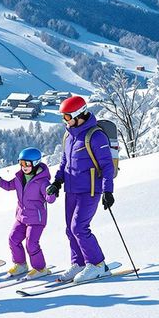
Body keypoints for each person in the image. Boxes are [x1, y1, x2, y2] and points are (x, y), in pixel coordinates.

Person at [48, 96, 116, 283]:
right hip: (71, 189)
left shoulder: (95, 136)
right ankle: (78, 263)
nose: (65, 121)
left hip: (90, 190)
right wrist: (57, 182)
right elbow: (65, 162)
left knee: (79, 227)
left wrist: (108, 191)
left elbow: (107, 166)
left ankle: (97, 265)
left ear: (79, 114)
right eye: (63, 117)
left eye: (67, 116)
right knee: (70, 230)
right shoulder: (68, 135)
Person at [0, 147, 58, 279]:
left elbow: (49, 199)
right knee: (13, 239)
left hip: (36, 219)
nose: (24, 167)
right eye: (21, 163)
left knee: (31, 243)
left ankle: (40, 268)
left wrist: (51, 192)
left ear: (35, 163)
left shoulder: (42, 181)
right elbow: (8, 186)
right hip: (21, 217)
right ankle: (21, 265)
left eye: (27, 164)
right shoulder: (19, 178)